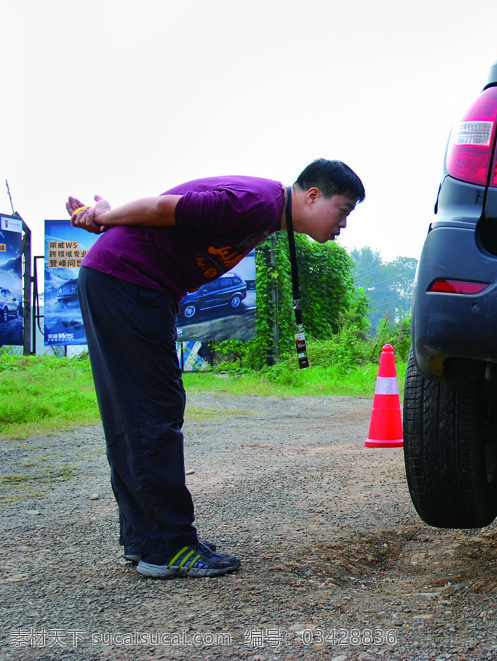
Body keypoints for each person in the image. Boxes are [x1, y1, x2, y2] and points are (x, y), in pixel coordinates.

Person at [65, 159, 365, 579]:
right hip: (129, 282)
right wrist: (104, 217)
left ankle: (148, 540)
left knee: (136, 412)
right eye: (345, 209)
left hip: (124, 282)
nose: (344, 223)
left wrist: (107, 215)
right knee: (152, 411)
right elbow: (162, 209)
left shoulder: (268, 211)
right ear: (313, 196)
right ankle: (168, 547)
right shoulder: (256, 203)